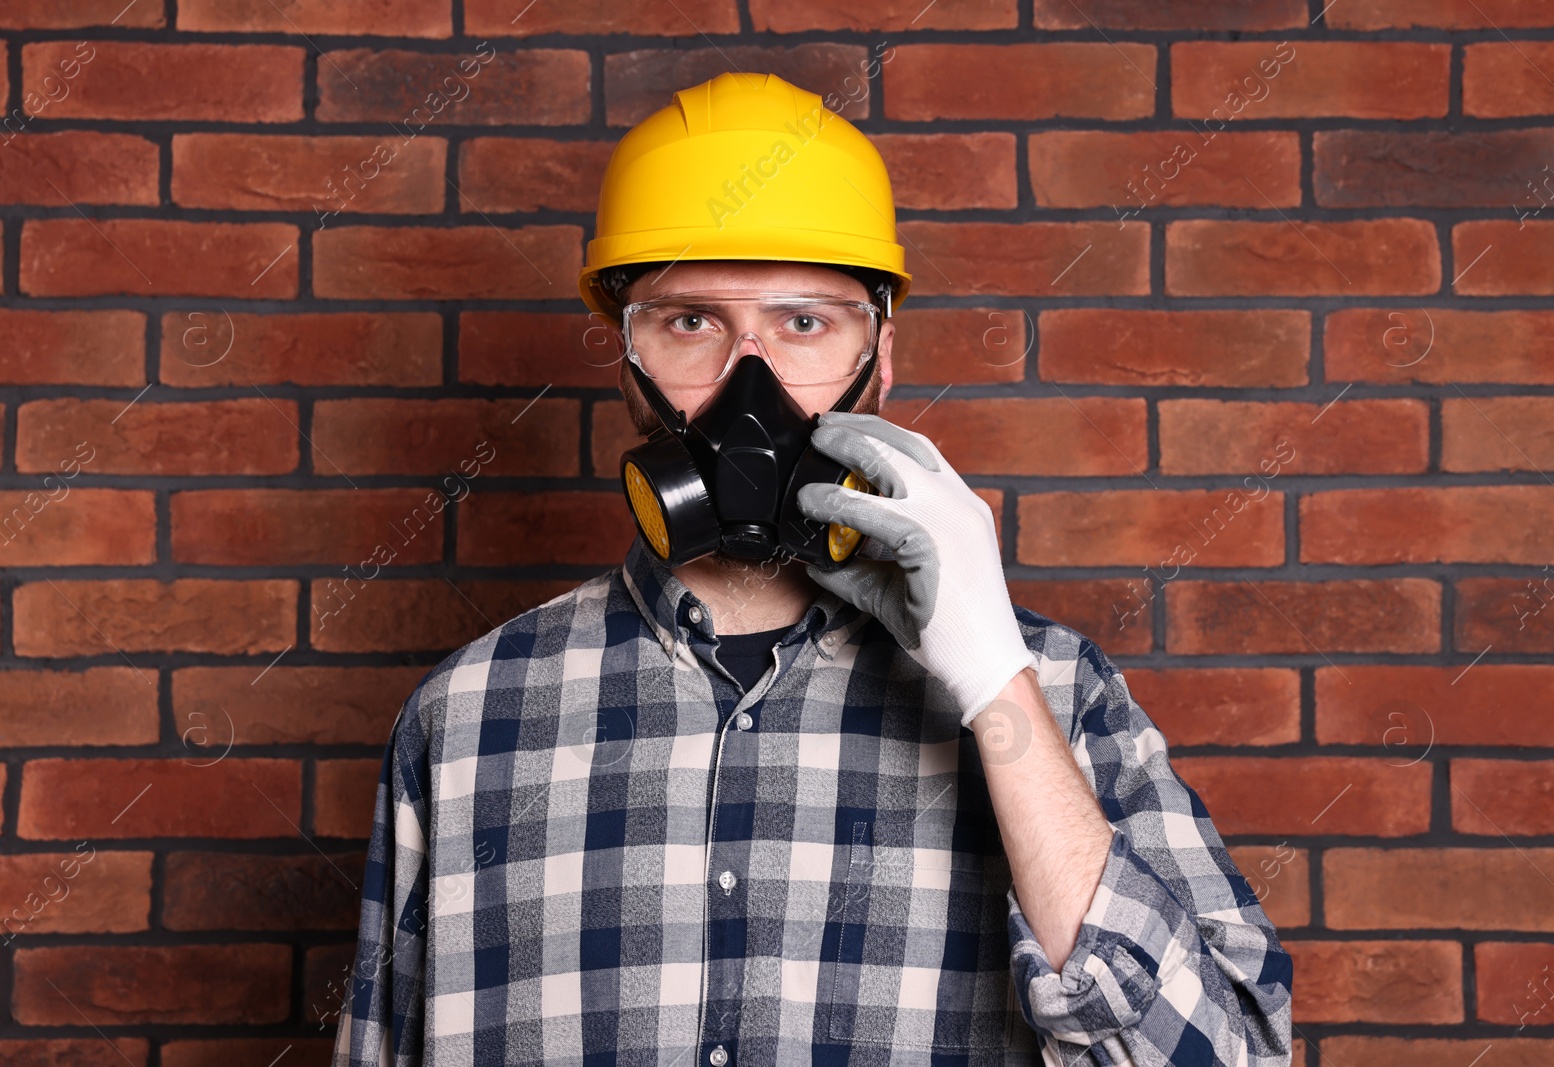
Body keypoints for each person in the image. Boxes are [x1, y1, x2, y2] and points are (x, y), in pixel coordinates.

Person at [330, 71, 1293, 1067]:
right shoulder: (465, 716)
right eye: (691, 321)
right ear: (623, 357)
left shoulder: (1053, 693)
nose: (751, 380)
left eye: (804, 322)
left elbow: (1226, 1055)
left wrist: (993, 683)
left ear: (881, 355)